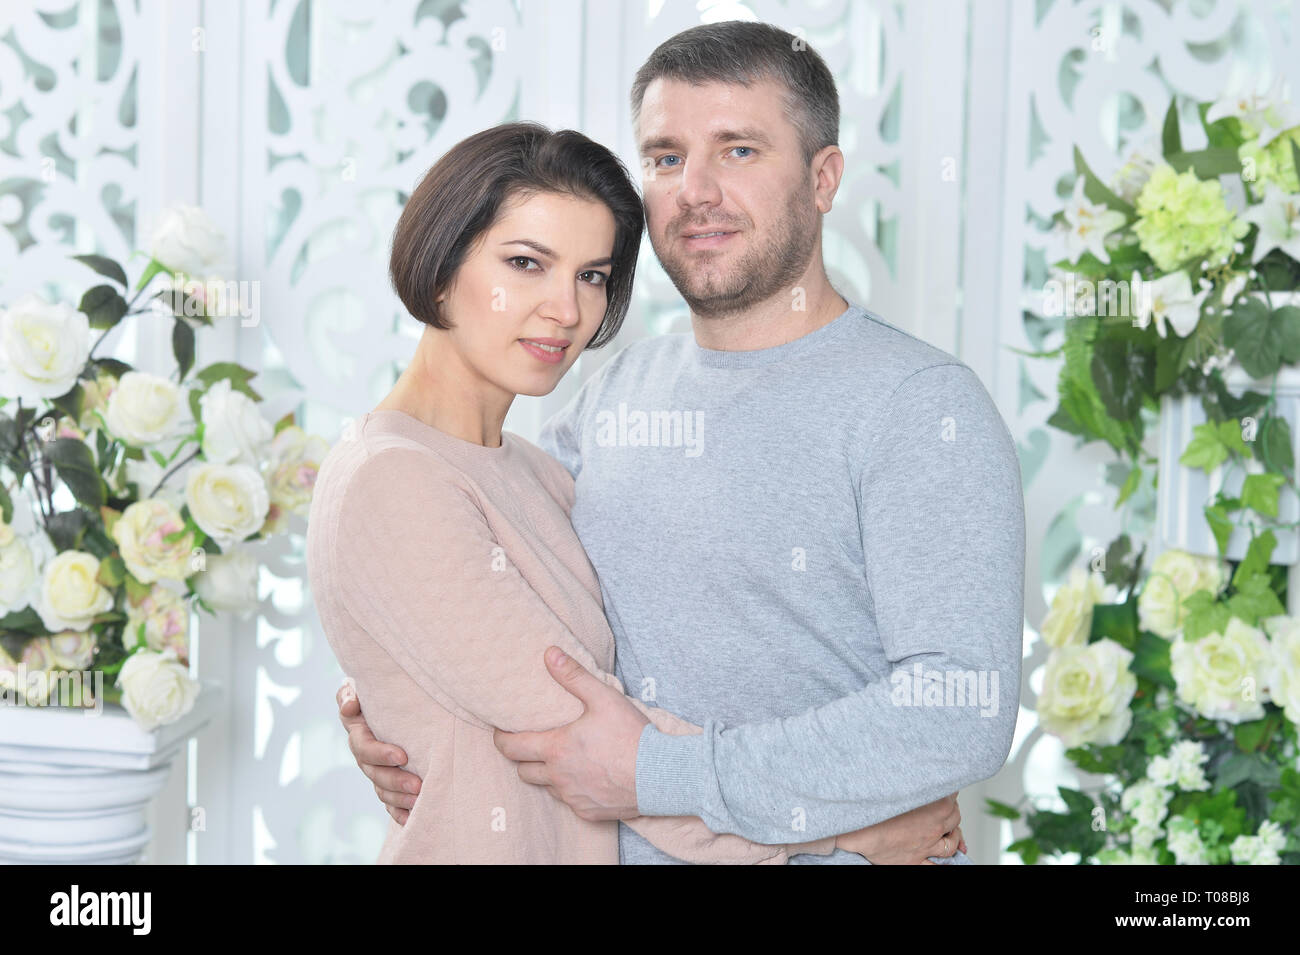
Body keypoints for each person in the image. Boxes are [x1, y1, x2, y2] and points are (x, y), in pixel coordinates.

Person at [340, 20, 1023, 865]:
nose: (694, 189)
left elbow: (959, 708)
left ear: (823, 178)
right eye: (665, 157)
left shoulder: (919, 407)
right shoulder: (610, 396)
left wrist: (664, 771)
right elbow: (496, 593)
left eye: (737, 150)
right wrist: (401, 704)